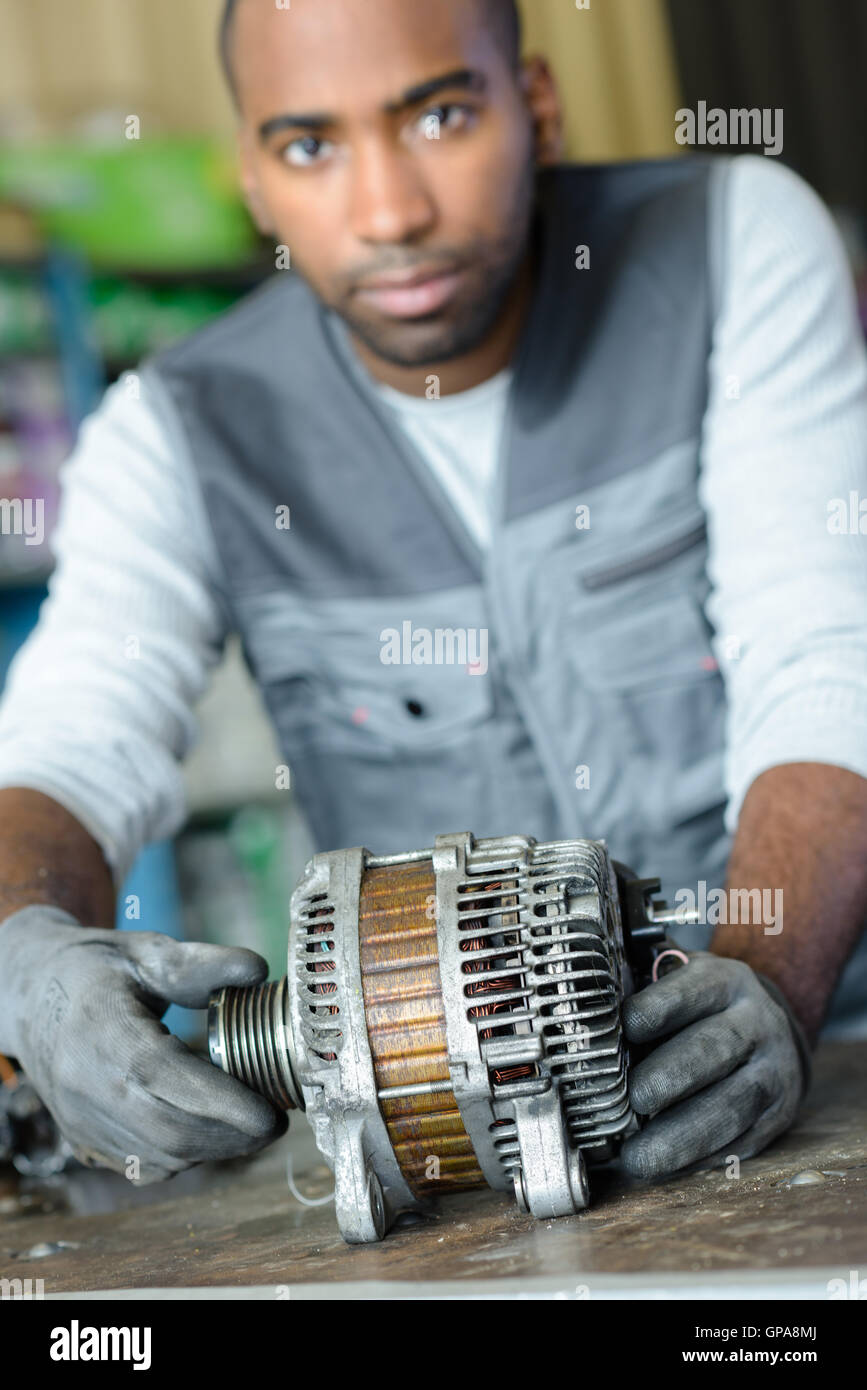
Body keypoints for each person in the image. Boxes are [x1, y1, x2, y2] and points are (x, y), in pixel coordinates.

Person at [0, 0, 865, 1187]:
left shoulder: (731, 248)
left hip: (827, 1061)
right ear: (252, 176)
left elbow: (828, 653)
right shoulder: (181, 430)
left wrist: (769, 980)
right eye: (311, 146)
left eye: (442, 115)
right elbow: (72, 736)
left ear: (539, 107)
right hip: (468, 1144)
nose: (391, 213)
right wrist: (26, 954)